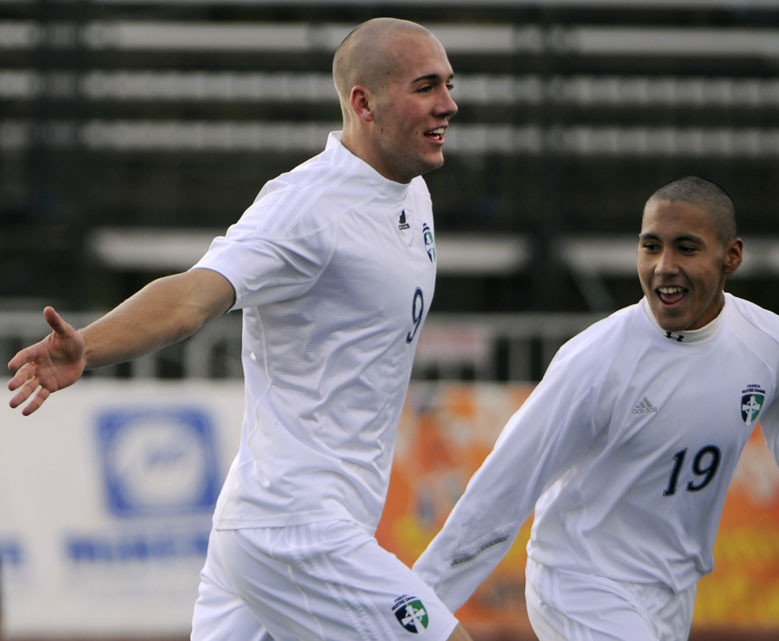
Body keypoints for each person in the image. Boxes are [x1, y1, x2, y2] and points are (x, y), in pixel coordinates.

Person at [7, 17, 472, 641]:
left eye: (447, 83)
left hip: (272, 527)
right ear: (363, 102)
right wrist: (90, 346)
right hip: (294, 529)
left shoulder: (412, 194)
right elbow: (193, 297)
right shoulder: (305, 206)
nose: (449, 103)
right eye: (425, 87)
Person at [412, 176, 779, 641]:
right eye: (650, 246)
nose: (664, 267)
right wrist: (417, 606)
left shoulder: (769, 343)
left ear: (732, 256)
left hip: (673, 591)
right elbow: (503, 486)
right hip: (581, 581)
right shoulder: (595, 361)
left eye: (686, 248)